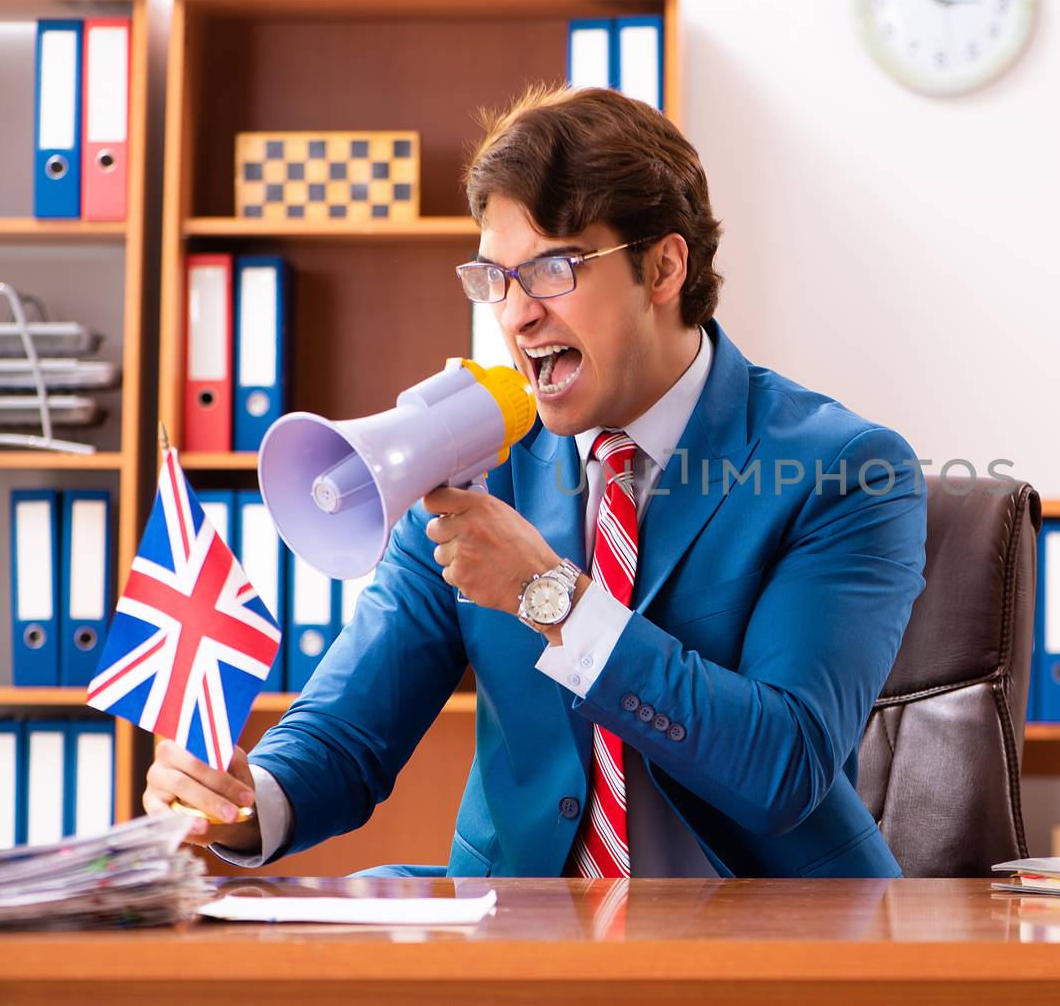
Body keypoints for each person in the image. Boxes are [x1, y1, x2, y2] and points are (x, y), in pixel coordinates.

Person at [143, 85, 927, 877]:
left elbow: (783, 768)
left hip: (760, 939)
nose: (515, 316)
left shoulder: (842, 469)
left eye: (553, 269)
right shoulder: (474, 458)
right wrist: (243, 799)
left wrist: (551, 596)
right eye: (494, 278)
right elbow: (350, 730)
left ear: (663, 266)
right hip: (525, 929)